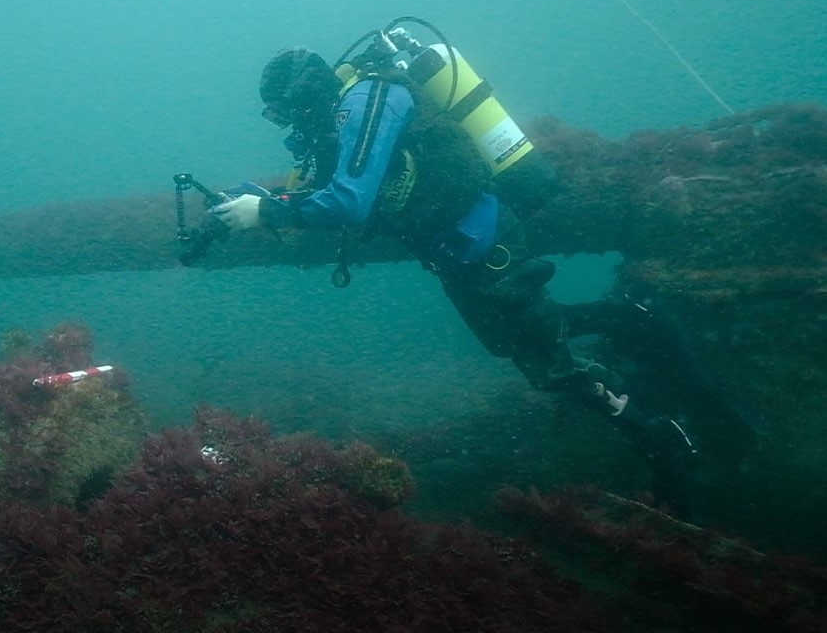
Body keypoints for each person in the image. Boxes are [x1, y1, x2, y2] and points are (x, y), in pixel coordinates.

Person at [209, 38, 750, 517]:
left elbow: (349, 201)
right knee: (507, 343)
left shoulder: (371, 100)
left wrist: (266, 214)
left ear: (303, 96)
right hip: (451, 251)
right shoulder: (339, 119)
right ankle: (637, 318)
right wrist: (258, 199)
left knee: (547, 364)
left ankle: (662, 442)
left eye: (281, 113)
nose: (284, 125)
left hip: (484, 239)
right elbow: (323, 188)